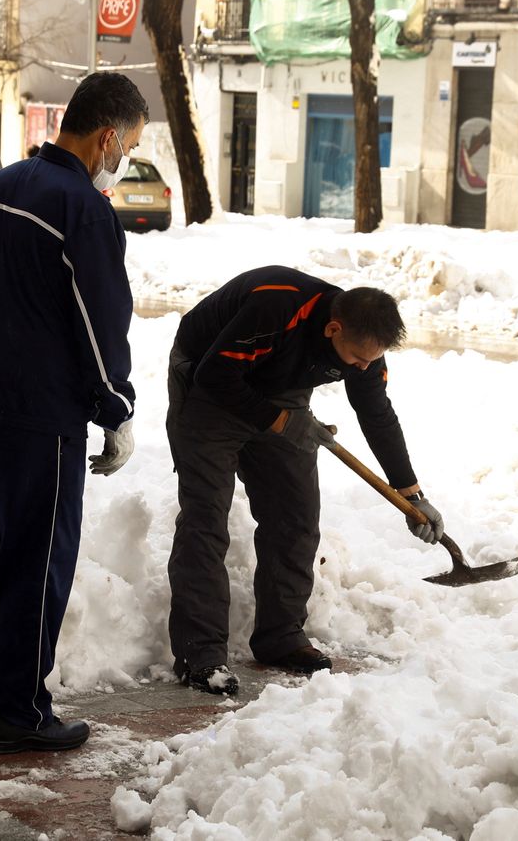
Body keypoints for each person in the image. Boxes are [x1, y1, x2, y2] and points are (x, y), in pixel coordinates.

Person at [0, 71, 148, 755]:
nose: (126, 159)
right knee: (35, 562)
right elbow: (98, 320)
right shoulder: (81, 208)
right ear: (107, 135)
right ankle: (20, 712)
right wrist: (115, 406)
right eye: (131, 144)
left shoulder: (3, 187)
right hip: (40, 414)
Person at [165, 268, 445, 696]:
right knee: (206, 519)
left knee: (295, 517)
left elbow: (376, 412)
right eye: (357, 359)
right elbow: (216, 376)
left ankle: (280, 637)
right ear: (333, 329)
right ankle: (199, 655)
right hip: (209, 382)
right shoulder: (276, 306)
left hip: (280, 389)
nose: (364, 367)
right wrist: (280, 421)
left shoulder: (363, 343)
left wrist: (412, 493)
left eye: (373, 360)